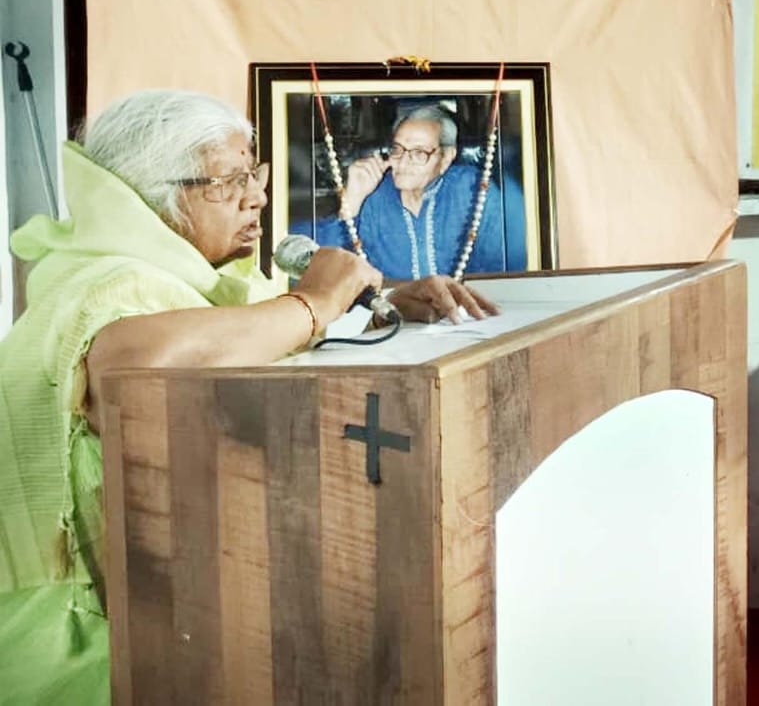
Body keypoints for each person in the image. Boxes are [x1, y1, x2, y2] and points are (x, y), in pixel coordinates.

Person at [0, 90, 497, 703]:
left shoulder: (182, 283)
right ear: (150, 197)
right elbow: (137, 370)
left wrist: (375, 306)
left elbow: (237, 342)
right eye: (228, 181)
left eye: (252, 175)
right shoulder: (109, 281)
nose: (257, 197)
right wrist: (313, 302)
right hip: (80, 653)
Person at [303, 103, 526, 280]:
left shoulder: (473, 189)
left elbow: (503, 268)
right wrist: (351, 201)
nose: (403, 162)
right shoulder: (371, 193)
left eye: (419, 153)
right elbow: (324, 273)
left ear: (446, 158)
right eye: (397, 149)